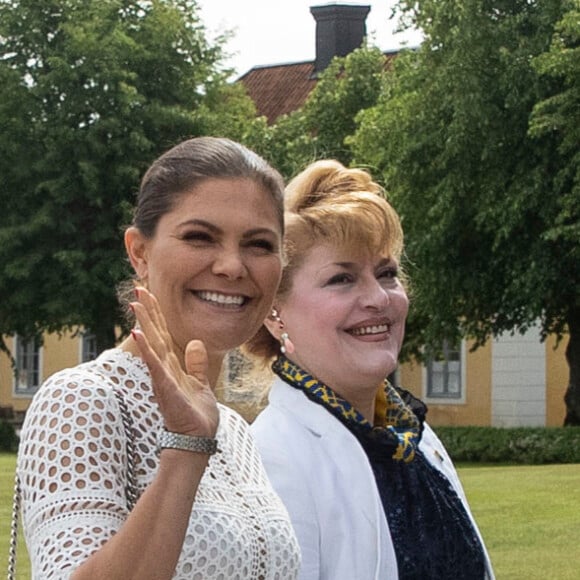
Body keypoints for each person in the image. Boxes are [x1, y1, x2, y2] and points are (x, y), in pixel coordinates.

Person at [16, 137, 301, 579]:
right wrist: (186, 449)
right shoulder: (82, 401)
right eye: (199, 237)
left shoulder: (236, 432)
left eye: (259, 244)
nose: (232, 265)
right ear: (139, 252)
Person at [246, 160, 494, 579]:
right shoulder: (273, 459)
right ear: (275, 313)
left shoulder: (412, 440)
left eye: (387, 274)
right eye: (342, 279)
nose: (378, 298)